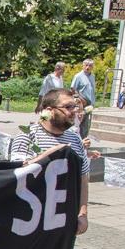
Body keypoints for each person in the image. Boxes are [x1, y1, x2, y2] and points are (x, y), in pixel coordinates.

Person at [9, 88, 89, 235]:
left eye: (74, 106)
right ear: (49, 110)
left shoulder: (75, 139)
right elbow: (17, 175)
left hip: (63, 220)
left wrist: (82, 214)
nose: (73, 111)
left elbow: (83, 179)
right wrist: (52, 153)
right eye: (68, 107)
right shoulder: (27, 136)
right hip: (31, 221)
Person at [70, 59, 95, 138]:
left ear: (92, 67)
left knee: (86, 124)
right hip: (81, 102)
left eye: (90, 66)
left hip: (89, 103)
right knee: (77, 123)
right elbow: (73, 89)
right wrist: (79, 100)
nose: (87, 67)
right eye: (86, 65)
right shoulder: (78, 76)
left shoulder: (92, 76)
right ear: (83, 66)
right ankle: (75, 141)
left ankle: (83, 142)